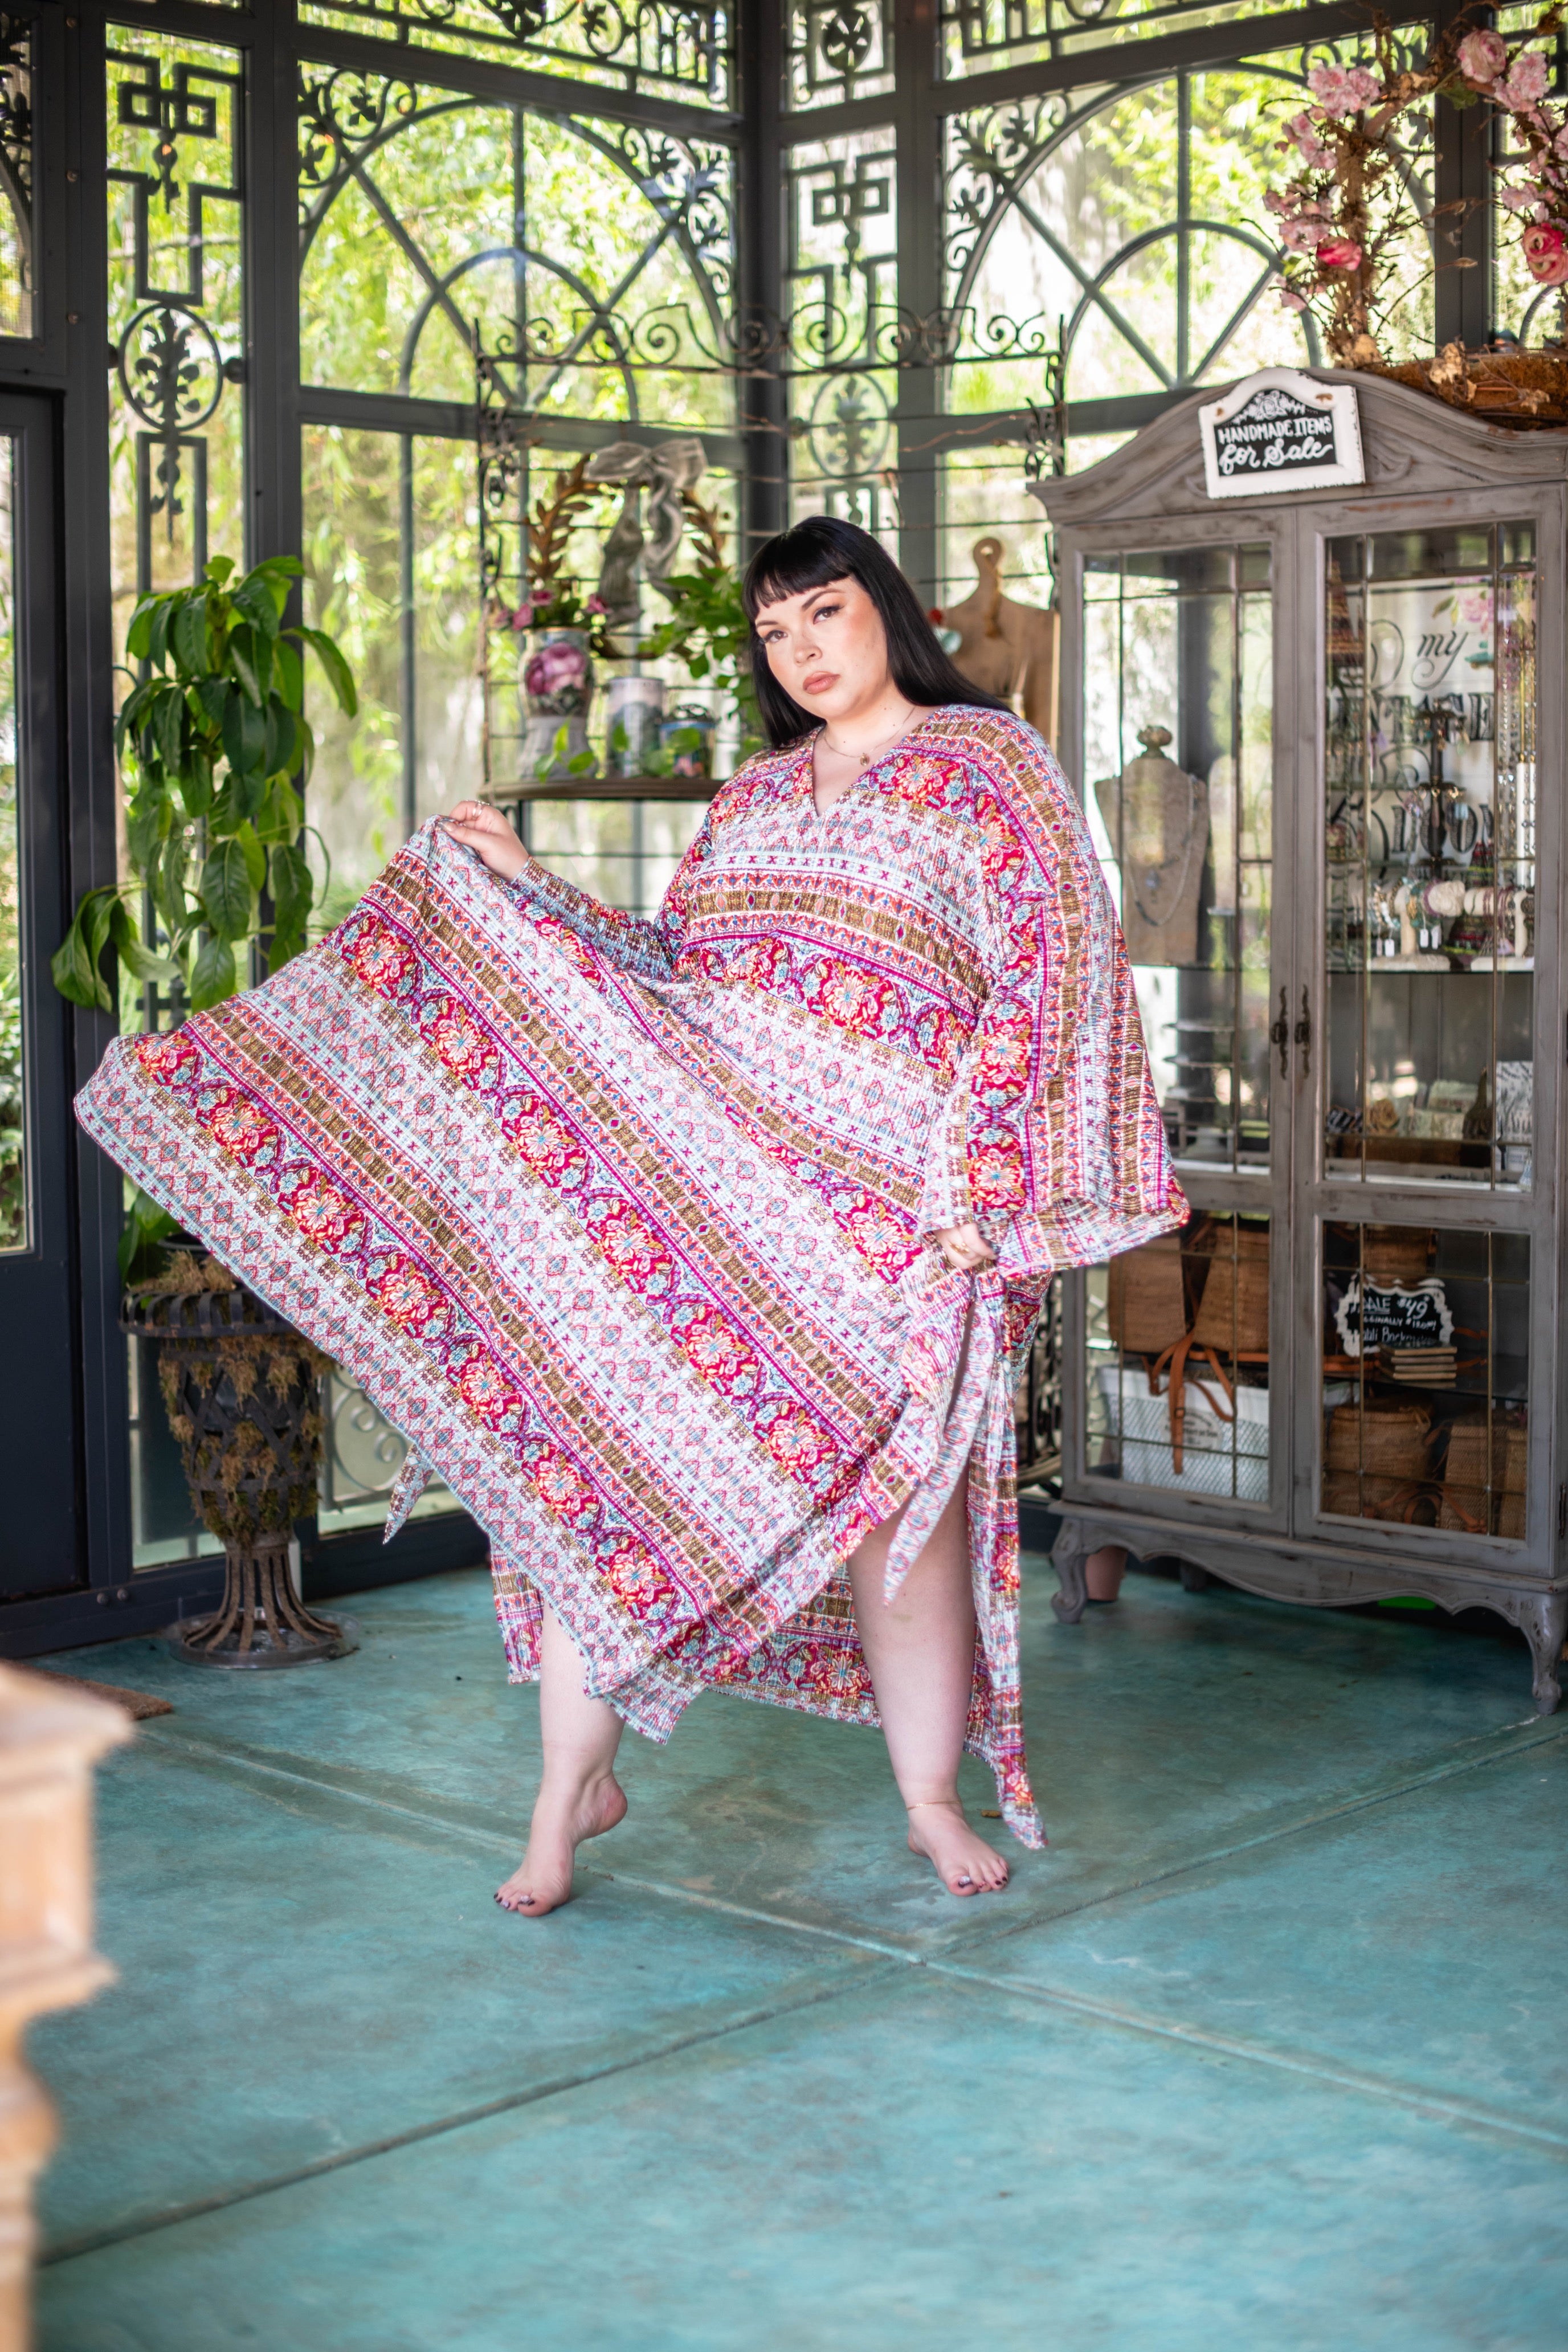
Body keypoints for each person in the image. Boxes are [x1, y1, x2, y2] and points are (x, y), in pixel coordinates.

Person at [77, 516, 1182, 1915]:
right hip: (722, 1198)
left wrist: (988, 1196)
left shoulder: (988, 765)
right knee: (602, 1466)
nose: (799, 651)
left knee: (900, 1515)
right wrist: (526, 888)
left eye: (823, 613)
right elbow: (673, 971)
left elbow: (1051, 978)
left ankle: (926, 1801)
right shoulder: (753, 799)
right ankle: (567, 1797)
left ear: (884, 609)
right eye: (773, 632)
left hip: (900, 1218)